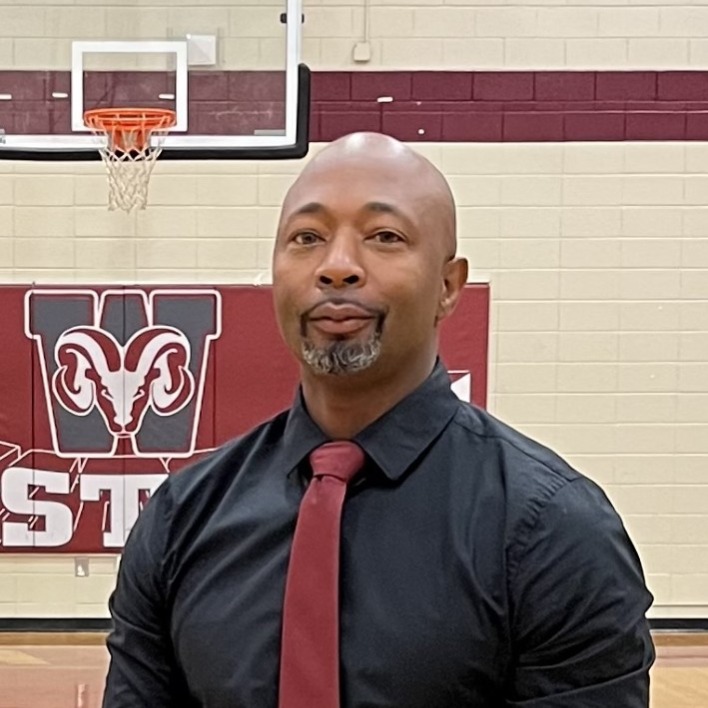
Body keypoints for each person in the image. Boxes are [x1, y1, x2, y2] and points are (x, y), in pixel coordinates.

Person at [102, 132, 655, 707]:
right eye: (307, 238)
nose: (337, 267)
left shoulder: (554, 530)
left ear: (448, 286)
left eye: (384, 236)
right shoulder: (181, 518)